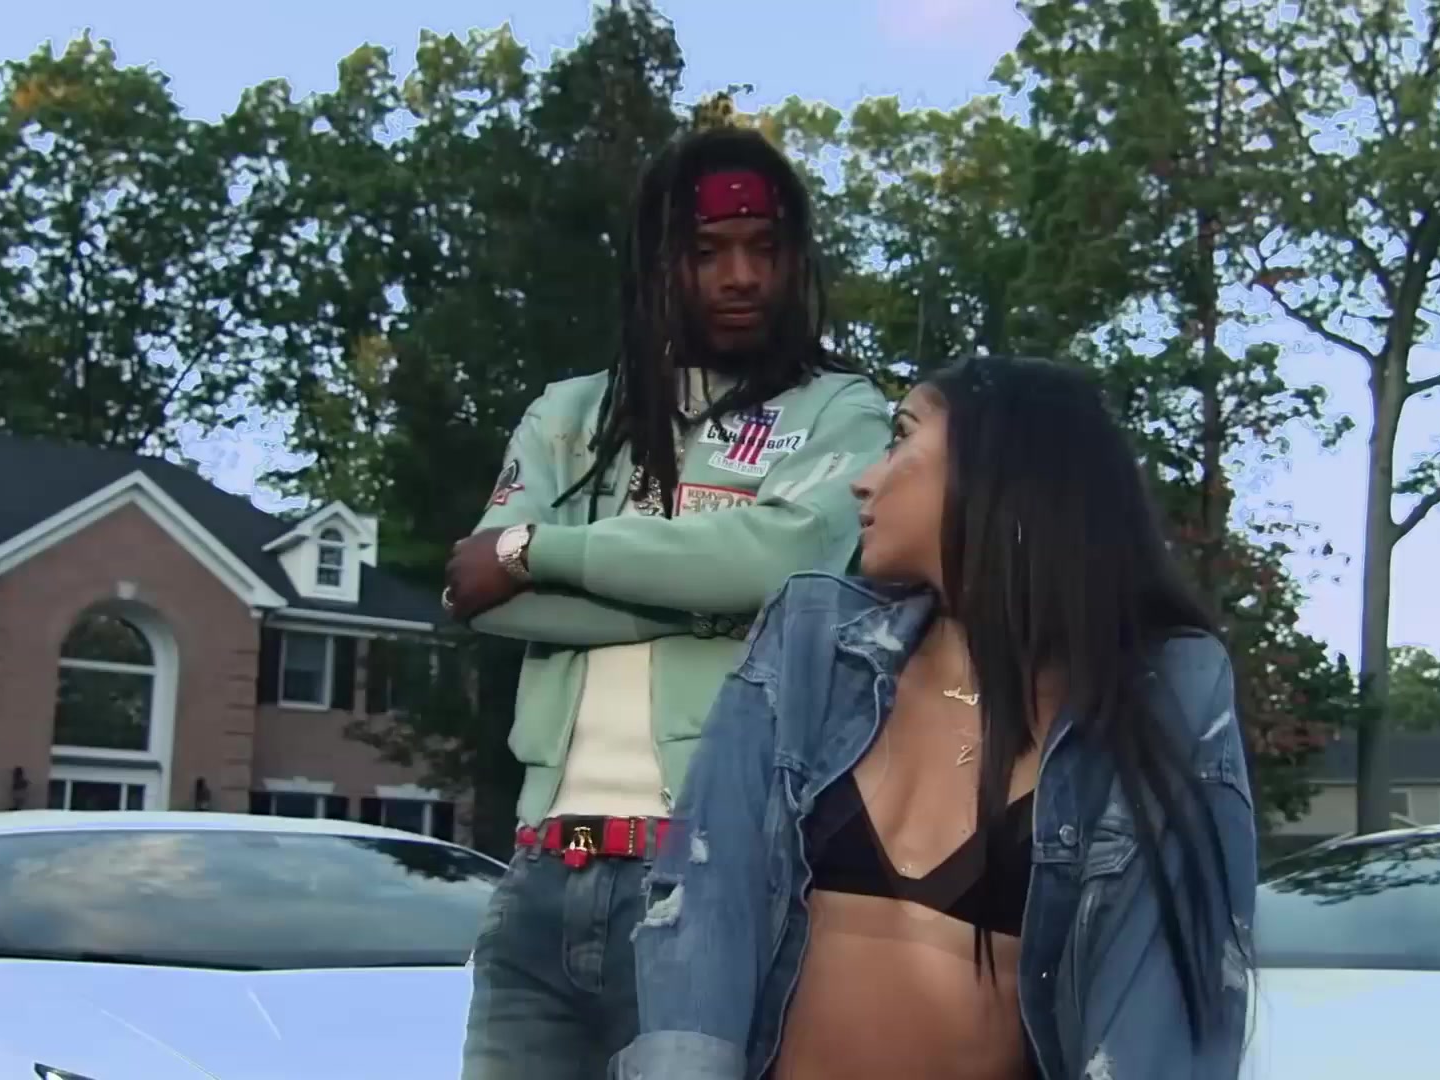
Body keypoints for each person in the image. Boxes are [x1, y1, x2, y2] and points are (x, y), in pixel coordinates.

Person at [612, 355, 1259, 1080]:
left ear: (1004, 469)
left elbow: (1161, 1009)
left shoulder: (1160, 692)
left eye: (901, 438)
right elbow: (706, 904)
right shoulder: (812, 643)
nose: (864, 479)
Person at [444, 125, 891, 1080]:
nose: (742, 275)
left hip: (712, 875)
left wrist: (541, 552)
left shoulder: (840, 409)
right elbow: (483, 596)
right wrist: (715, 604)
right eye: (708, 251)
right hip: (539, 873)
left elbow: (788, 558)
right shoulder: (569, 415)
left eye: (765, 248)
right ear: (658, 265)